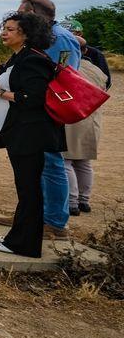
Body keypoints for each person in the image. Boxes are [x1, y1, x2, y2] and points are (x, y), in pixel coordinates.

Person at [0, 12, 64, 257]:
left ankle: (25, 244)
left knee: (29, 189)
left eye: (11, 29)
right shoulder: (18, 57)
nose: (4, 33)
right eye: (4, 28)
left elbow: (33, 98)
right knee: (26, 187)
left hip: (31, 132)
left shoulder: (33, 59)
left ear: (26, 33)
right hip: (19, 130)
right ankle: (20, 237)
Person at [17, 0, 79, 238]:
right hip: (29, 109)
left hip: (46, 110)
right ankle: (30, 215)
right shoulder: (36, 37)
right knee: (32, 165)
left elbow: (66, 76)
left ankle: (54, 222)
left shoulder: (60, 38)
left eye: (20, 11)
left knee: (51, 164)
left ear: (32, 12)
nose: (17, 15)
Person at [63, 36, 109, 217]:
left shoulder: (70, 68)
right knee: (84, 162)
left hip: (72, 117)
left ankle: (72, 202)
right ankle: (84, 200)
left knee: (65, 160)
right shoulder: (97, 70)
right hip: (92, 118)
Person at [63, 19, 112, 90]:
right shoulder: (52, 50)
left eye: (69, 33)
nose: (64, 36)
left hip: (86, 95)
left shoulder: (94, 53)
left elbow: (106, 81)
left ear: (79, 34)